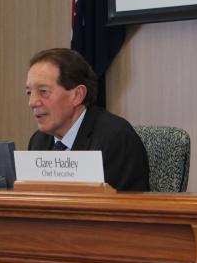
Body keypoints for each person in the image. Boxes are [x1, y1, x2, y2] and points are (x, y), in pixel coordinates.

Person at [26, 48, 150, 192]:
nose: (32, 102)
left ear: (77, 95)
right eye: (29, 92)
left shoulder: (116, 139)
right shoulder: (39, 141)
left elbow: (126, 209)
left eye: (43, 92)